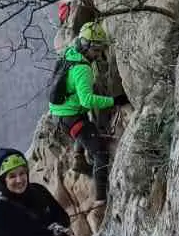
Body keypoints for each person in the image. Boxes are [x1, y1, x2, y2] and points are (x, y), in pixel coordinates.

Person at [47, 22, 129, 222]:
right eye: (96, 49)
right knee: (100, 152)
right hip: (71, 117)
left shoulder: (70, 53)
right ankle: (100, 201)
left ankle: (78, 156)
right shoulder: (82, 69)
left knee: (86, 125)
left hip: (59, 113)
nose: (99, 54)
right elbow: (87, 100)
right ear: (87, 46)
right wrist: (115, 101)